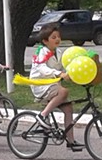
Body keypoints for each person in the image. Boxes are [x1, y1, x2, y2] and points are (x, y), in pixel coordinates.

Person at [29, 23, 82, 151]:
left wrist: (74, 74)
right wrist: (59, 74)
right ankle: (42, 115)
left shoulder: (59, 52)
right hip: (40, 85)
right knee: (64, 92)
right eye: (53, 37)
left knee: (68, 109)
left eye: (58, 36)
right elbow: (42, 69)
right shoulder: (42, 52)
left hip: (52, 85)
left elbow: (64, 67)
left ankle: (71, 141)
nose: (57, 39)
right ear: (45, 41)